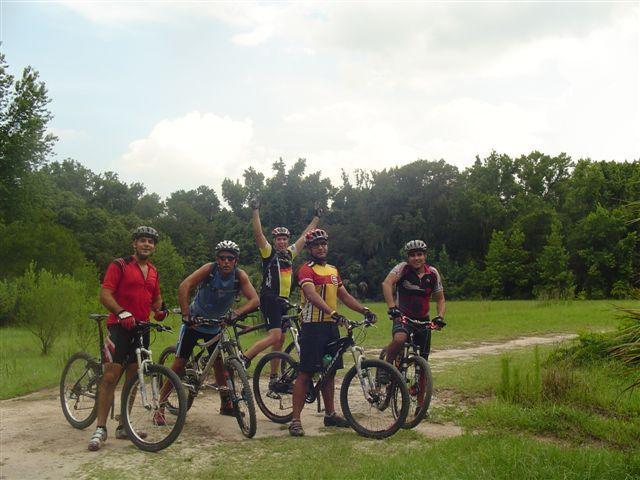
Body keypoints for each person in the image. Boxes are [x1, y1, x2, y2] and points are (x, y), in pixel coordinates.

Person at [155, 240, 259, 422]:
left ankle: (226, 404)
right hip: (195, 323)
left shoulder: (239, 276)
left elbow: (254, 300)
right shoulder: (209, 270)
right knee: (179, 364)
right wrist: (186, 314)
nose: (226, 261)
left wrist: (236, 313)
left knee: (220, 364)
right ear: (217, 259)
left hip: (217, 324)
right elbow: (184, 286)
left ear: (236, 260)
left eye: (230, 258)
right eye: (222, 258)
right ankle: (160, 406)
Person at [288, 228, 377, 437]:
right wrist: (332, 312)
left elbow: (344, 296)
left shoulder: (333, 270)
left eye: (324, 244)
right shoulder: (305, 270)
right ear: (309, 249)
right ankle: (295, 420)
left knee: (329, 371)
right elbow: (310, 294)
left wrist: (364, 310)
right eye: (316, 245)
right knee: (306, 372)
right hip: (312, 327)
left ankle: (330, 414)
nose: (321, 247)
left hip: (331, 327)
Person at [88, 226, 169, 451]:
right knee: (110, 376)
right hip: (119, 327)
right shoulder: (120, 265)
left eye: (151, 242)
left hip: (141, 328)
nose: (147, 245)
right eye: (142, 240)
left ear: (154, 247)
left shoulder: (153, 270)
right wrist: (121, 311)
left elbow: (156, 300)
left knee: (134, 378)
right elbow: (105, 294)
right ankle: (100, 428)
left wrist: (161, 311)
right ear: (134, 243)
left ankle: (123, 425)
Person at [240, 198, 321, 376]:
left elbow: (305, 236)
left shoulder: (290, 254)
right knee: (275, 336)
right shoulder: (269, 253)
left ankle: (273, 377)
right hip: (269, 298)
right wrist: (255, 211)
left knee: (280, 340)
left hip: (282, 301)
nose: (282, 242)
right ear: (274, 241)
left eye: (284, 239)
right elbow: (258, 234)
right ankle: (244, 358)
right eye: (279, 239)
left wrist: (316, 218)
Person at [381, 240, 445, 369]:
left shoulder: (432, 273)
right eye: (412, 255)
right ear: (408, 257)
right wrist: (392, 308)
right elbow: (386, 284)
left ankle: (420, 388)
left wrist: (440, 317)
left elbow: (440, 299)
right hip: (403, 317)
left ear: (425, 256)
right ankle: (386, 368)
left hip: (423, 320)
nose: (416, 258)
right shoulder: (402, 268)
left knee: (423, 360)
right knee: (399, 339)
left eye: (419, 254)